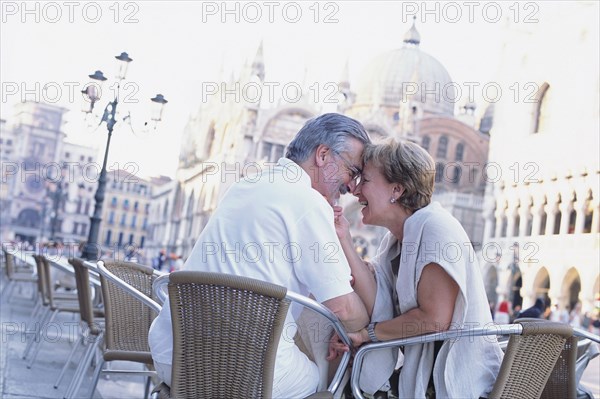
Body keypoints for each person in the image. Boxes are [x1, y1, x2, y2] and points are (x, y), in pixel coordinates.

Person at [148, 113, 371, 398]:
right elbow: (345, 309)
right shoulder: (309, 203)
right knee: (328, 380)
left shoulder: (245, 185)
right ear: (323, 155)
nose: (352, 187)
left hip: (175, 359)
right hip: (247, 377)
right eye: (352, 172)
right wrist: (367, 323)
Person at [329, 139, 503, 398]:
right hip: (427, 377)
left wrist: (367, 334)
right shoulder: (398, 239)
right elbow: (378, 292)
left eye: (364, 180)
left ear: (396, 190)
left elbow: (434, 320)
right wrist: (343, 237)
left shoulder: (435, 229)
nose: (354, 190)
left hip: (458, 384)